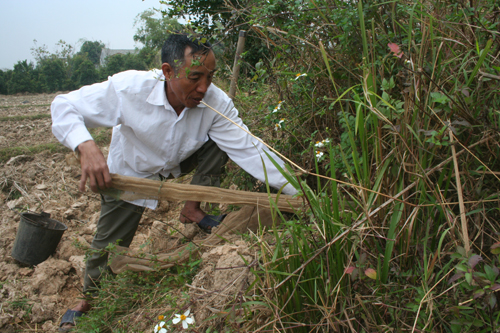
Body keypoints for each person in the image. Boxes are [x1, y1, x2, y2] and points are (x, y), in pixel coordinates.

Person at [52, 33, 296, 331]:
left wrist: (299, 191)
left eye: (210, 77)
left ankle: (192, 208)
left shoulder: (215, 103)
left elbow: (250, 149)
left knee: (223, 140)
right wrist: (85, 146)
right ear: (168, 72)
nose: (204, 88)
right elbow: (63, 106)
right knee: (108, 245)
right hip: (133, 171)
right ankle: (88, 299)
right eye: (195, 77)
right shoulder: (129, 88)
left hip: (180, 162)